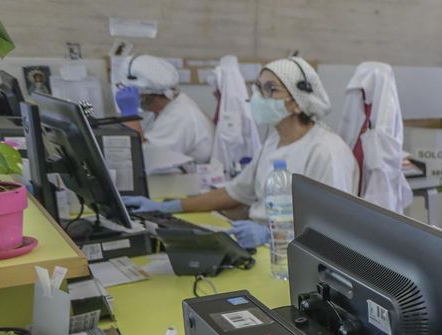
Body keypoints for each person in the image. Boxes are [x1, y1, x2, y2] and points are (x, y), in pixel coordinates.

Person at [123, 57, 358, 248]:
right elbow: (234, 192)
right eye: (257, 88)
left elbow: (332, 231)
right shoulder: (273, 143)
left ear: (297, 101)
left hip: (292, 257)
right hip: (260, 248)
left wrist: (269, 235)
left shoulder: (326, 151)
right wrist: (168, 207)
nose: (258, 97)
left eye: (270, 89)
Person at [114, 55, 215, 164]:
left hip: (187, 178)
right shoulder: (169, 107)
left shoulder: (179, 116)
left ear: (145, 95)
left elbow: (146, 158)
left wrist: (130, 116)